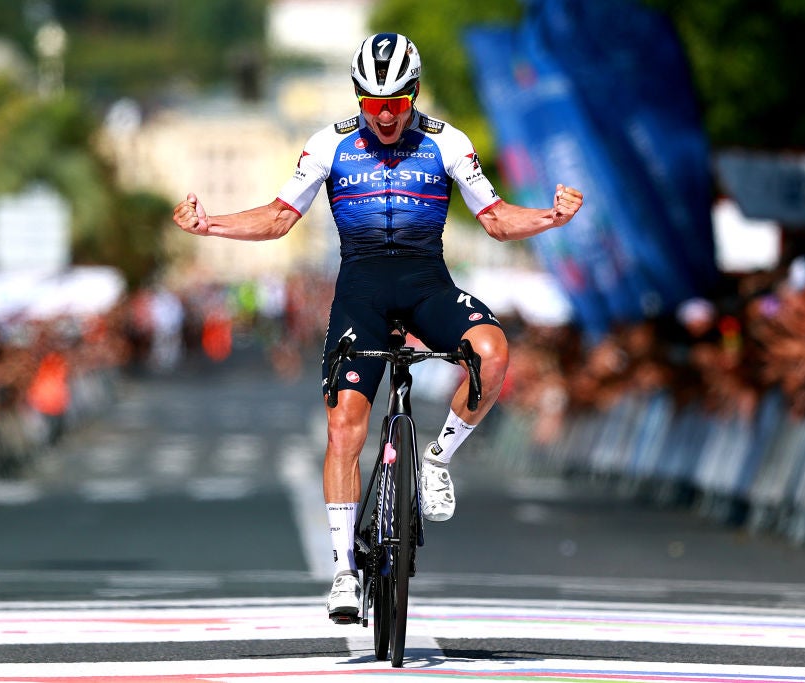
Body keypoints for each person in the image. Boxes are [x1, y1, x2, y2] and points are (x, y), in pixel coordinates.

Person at [172, 32, 583, 623]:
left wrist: (549, 216)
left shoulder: (448, 143)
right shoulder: (327, 145)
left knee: (491, 352)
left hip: (427, 287)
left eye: (395, 102)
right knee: (345, 426)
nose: (385, 115)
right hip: (361, 294)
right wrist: (210, 225)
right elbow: (277, 218)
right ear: (358, 96)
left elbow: (494, 220)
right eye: (371, 103)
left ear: (414, 94)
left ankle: (438, 458)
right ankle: (342, 571)